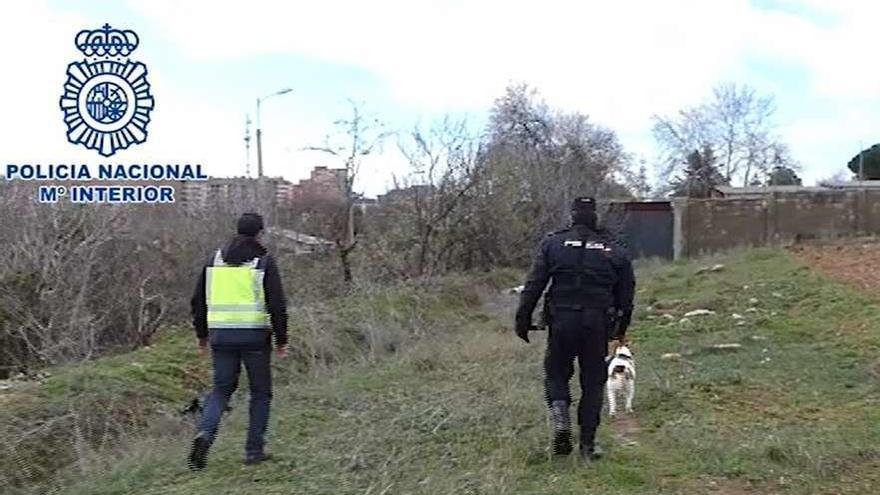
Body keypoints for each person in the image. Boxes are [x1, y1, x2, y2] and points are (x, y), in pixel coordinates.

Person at [514, 197, 635, 463]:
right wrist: (621, 330)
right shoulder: (614, 248)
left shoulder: (553, 243)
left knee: (556, 374)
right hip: (597, 324)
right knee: (593, 382)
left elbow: (534, 284)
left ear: (572, 216)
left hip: (562, 321)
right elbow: (626, 296)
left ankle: (560, 418)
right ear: (595, 217)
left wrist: (522, 319)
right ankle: (587, 447)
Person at [188, 212, 289, 470]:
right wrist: (281, 339)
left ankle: (205, 434)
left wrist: (201, 335)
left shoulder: (214, 260)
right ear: (260, 233)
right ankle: (253, 450)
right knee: (260, 393)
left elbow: (198, 300)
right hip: (254, 336)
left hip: (220, 335)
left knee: (221, 390)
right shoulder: (263, 261)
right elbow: (276, 304)